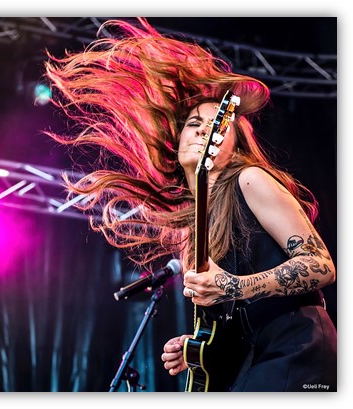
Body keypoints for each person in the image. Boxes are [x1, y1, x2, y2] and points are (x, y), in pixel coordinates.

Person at [44, 18, 337, 392]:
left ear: (232, 145)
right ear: (176, 140)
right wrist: (199, 348)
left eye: (216, 124)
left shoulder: (249, 178)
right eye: (194, 123)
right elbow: (230, 316)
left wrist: (232, 286)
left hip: (297, 349)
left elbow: (320, 265)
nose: (202, 129)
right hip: (251, 357)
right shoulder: (193, 224)